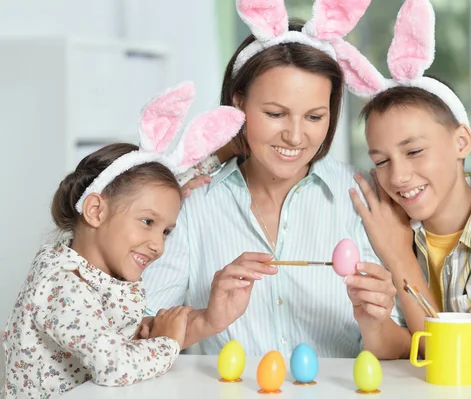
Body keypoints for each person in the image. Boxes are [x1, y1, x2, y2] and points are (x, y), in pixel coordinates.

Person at [142, 0, 409, 359]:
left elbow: (398, 352)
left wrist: (374, 322)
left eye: (314, 117)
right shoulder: (194, 205)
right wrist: (207, 318)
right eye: (275, 113)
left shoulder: (361, 197)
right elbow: (143, 334)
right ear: (239, 105)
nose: (296, 137)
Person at [337, 0, 471, 360]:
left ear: (461, 142)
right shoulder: (386, 215)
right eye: (382, 161)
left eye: (415, 151)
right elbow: (399, 350)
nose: (399, 176)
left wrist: (399, 258)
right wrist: (372, 319)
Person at [1, 82, 244, 398]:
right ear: (95, 211)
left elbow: (152, 192)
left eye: (166, 231)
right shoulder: (64, 287)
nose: (158, 245)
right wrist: (167, 343)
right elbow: (112, 365)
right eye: (148, 223)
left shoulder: (92, 271)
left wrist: (223, 153)